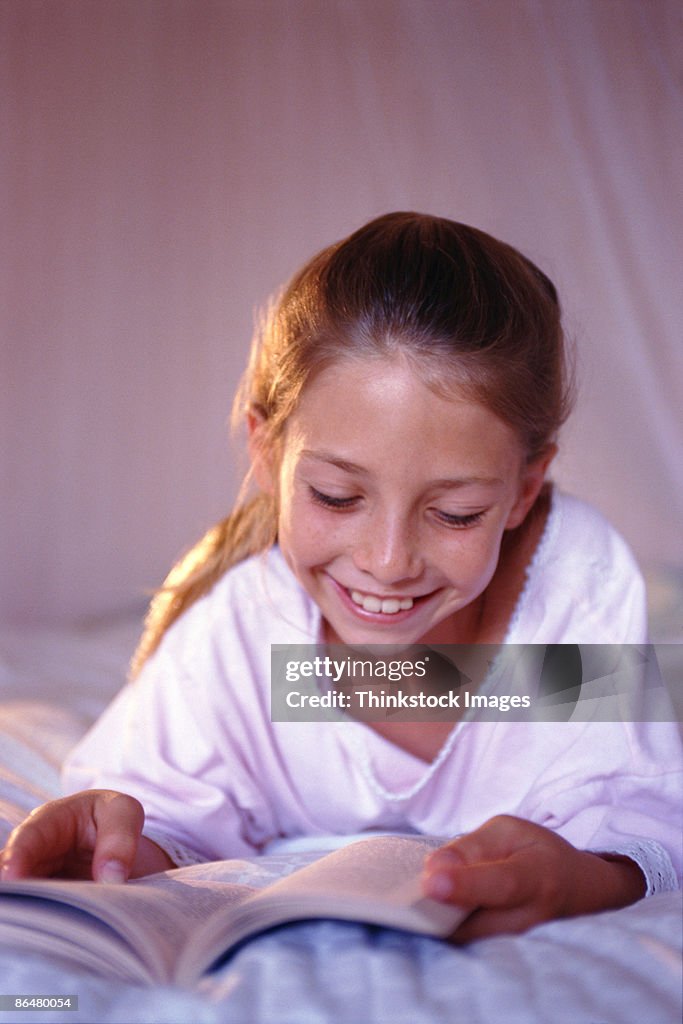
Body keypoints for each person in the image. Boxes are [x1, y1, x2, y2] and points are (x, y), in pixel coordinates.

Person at [1, 213, 680, 942]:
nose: (388, 561)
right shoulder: (245, 631)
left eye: (455, 513)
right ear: (266, 454)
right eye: (336, 497)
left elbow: (638, 817)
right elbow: (166, 816)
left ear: (522, 489)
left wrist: (586, 877)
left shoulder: (575, 579)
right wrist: (112, 848)